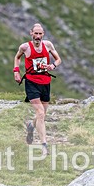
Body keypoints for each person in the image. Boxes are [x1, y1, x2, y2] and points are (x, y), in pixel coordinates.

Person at [13, 23, 62, 152]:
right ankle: (44, 144)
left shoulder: (48, 45)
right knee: (40, 113)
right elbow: (17, 57)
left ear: (43, 34)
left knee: (42, 114)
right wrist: (16, 71)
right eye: (36, 33)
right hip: (31, 82)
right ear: (31, 33)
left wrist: (53, 66)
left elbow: (58, 59)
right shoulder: (24, 47)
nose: (38, 36)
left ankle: (31, 125)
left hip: (45, 82)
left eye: (40, 34)